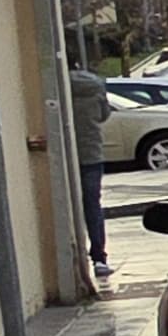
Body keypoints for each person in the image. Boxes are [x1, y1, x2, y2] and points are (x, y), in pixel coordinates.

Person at [66, 66, 111, 281]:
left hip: (64, 154)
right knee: (92, 205)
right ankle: (99, 258)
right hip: (91, 152)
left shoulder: (56, 84)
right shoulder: (95, 84)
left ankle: (70, 257)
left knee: (65, 206)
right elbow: (104, 115)